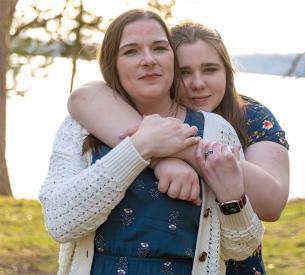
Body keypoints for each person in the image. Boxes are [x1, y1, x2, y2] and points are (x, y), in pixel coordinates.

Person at [39, 9, 264, 275]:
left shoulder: (215, 130)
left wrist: (232, 199)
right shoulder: (79, 127)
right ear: (112, 64)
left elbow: (242, 247)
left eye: (159, 48)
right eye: (131, 51)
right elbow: (60, 223)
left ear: (172, 57)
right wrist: (139, 149)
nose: (148, 60)